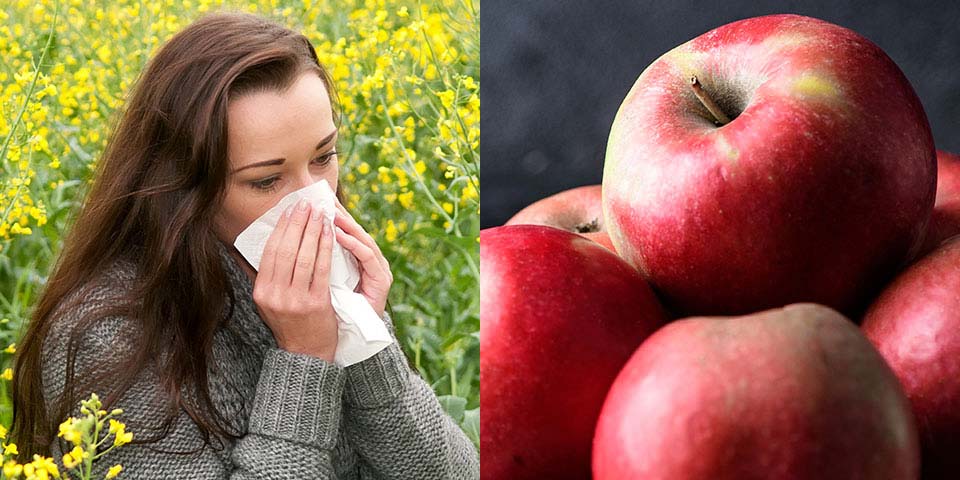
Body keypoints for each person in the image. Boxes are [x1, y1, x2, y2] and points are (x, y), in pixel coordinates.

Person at [10, 10, 480, 479]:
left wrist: (365, 340)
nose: (314, 201)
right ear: (185, 188)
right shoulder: (110, 338)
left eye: (324, 157)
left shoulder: (331, 283)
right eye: (266, 180)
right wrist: (303, 362)